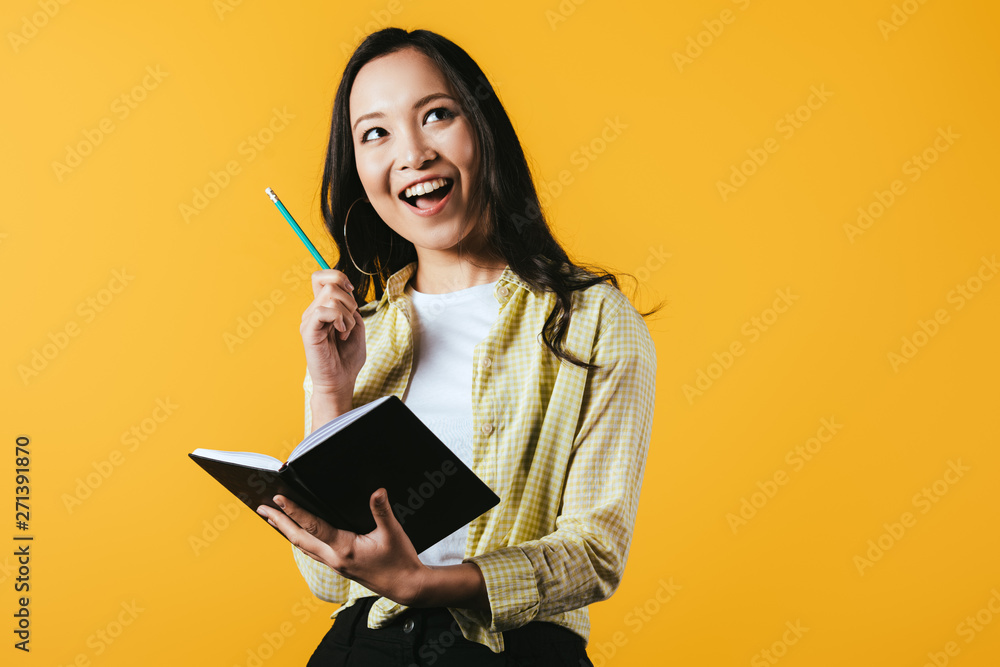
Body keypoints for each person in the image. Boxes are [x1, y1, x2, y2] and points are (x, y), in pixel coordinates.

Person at [254, 27, 658, 666]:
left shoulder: (592, 320)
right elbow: (328, 579)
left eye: (436, 115)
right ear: (358, 172)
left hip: (513, 652)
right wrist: (330, 389)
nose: (412, 153)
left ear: (484, 129)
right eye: (375, 133)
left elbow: (596, 553)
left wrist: (426, 584)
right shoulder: (364, 333)